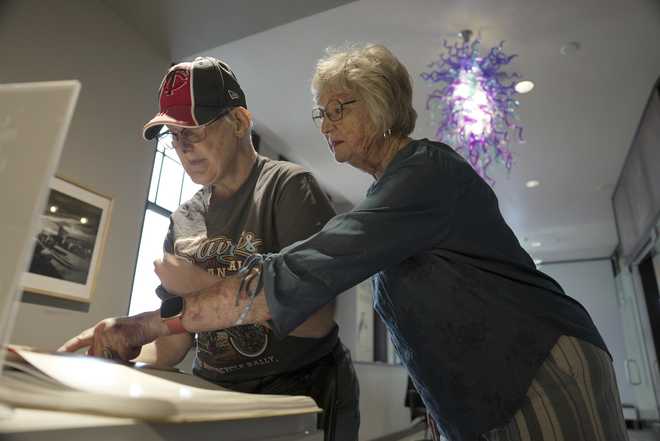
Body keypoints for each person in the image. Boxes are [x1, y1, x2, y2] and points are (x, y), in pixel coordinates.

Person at [61, 45, 629, 441]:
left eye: (341, 107)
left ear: (382, 105)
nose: (326, 123)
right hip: (477, 396)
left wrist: (151, 324)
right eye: (321, 111)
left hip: (540, 367)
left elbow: (308, 273)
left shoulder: (426, 173)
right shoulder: (393, 193)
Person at [60, 56, 360, 441]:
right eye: (174, 135)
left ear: (239, 121)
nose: (183, 148)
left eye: (193, 131)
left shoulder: (288, 188)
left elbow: (314, 318)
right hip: (216, 393)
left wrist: (200, 282)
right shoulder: (183, 219)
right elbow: (176, 339)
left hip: (299, 393)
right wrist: (123, 357)